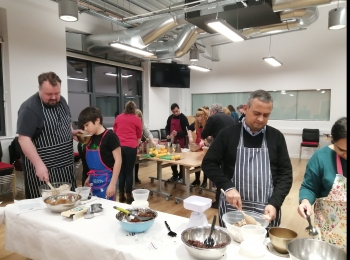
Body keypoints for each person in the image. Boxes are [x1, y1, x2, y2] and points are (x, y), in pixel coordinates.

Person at [202, 90, 293, 227]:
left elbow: (285, 174)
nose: (261, 119)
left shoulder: (276, 137)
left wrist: (275, 203)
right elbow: (208, 163)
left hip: (266, 209)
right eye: (257, 113)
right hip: (233, 208)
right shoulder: (228, 134)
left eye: (266, 115)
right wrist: (227, 187)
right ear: (245, 108)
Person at [17, 72, 82, 199]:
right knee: (45, 207)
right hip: (45, 169)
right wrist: (39, 165)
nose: (53, 97)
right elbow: (23, 139)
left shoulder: (62, 101)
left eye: (56, 93)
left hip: (66, 165)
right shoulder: (29, 109)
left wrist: (71, 132)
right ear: (39, 89)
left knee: (69, 202)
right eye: (49, 94)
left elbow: (65, 122)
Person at [298, 117, 347, 251]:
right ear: (333, 141)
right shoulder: (321, 157)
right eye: (342, 150)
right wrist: (305, 201)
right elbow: (309, 187)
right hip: (330, 230)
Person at [77, 106, 121, 200]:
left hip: (107, 181)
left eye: (87, 125)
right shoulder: (91, 138)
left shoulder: (110, 137)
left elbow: (118, 160)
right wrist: (89, 177)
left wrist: (112, 184)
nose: (85, 128)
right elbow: (93, 164)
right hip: (93, 182)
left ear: (97, 120)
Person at [201, 103, 236, 208]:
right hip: (233, 148)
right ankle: (229, 197)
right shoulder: (229, 117)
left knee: (218, 172)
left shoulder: (213, 118)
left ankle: (218, 201)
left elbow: (204, 134)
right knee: (227, 173)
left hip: (221, 149)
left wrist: (208, 136)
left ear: (212, 111)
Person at [113, 101, 142, 204]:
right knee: (129, 172)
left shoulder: (118, 118)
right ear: (134, 109)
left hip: (119, 147)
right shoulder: (137, 119)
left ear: (125, 108)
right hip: (131, 147)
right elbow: (139, 136)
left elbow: (115, 132)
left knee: (121, 172)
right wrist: (136, 146)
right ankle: (129, 196)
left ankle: (121, 196)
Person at [165, 103, 189, 182]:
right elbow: (167, 128)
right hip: (172, 141)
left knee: (181, 159)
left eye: (177, 111)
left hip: (181, 142)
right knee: (173, 159)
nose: (175, 113)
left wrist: (178, 133)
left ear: (179, 109)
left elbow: (186, 131)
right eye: (174, 112)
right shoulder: (170, 118)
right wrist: (168, 134)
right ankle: (175, 174)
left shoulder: (183, 118)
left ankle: (181, 176)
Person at [188, 107, 209, 188]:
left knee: (204, 164)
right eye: (198, 119)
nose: (199, 121)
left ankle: (204, 181)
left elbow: (210, 135)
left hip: (205, 147)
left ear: (204, 117)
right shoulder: (196, 123)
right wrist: (190, 137)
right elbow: (189, 128)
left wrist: (204, 141)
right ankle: (197, 180)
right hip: (198, 146)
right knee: (197, 164)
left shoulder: (208, 123)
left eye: (201, 120)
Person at [134, 109, 157, 184]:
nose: (137, 119)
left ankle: (135, 177)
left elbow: (148, 133)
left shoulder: (142, 124)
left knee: (136, 162)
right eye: (136, 117)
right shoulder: (131, 123)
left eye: (139, 117)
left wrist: (152, 140)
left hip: (138, 145)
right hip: (131, 144)